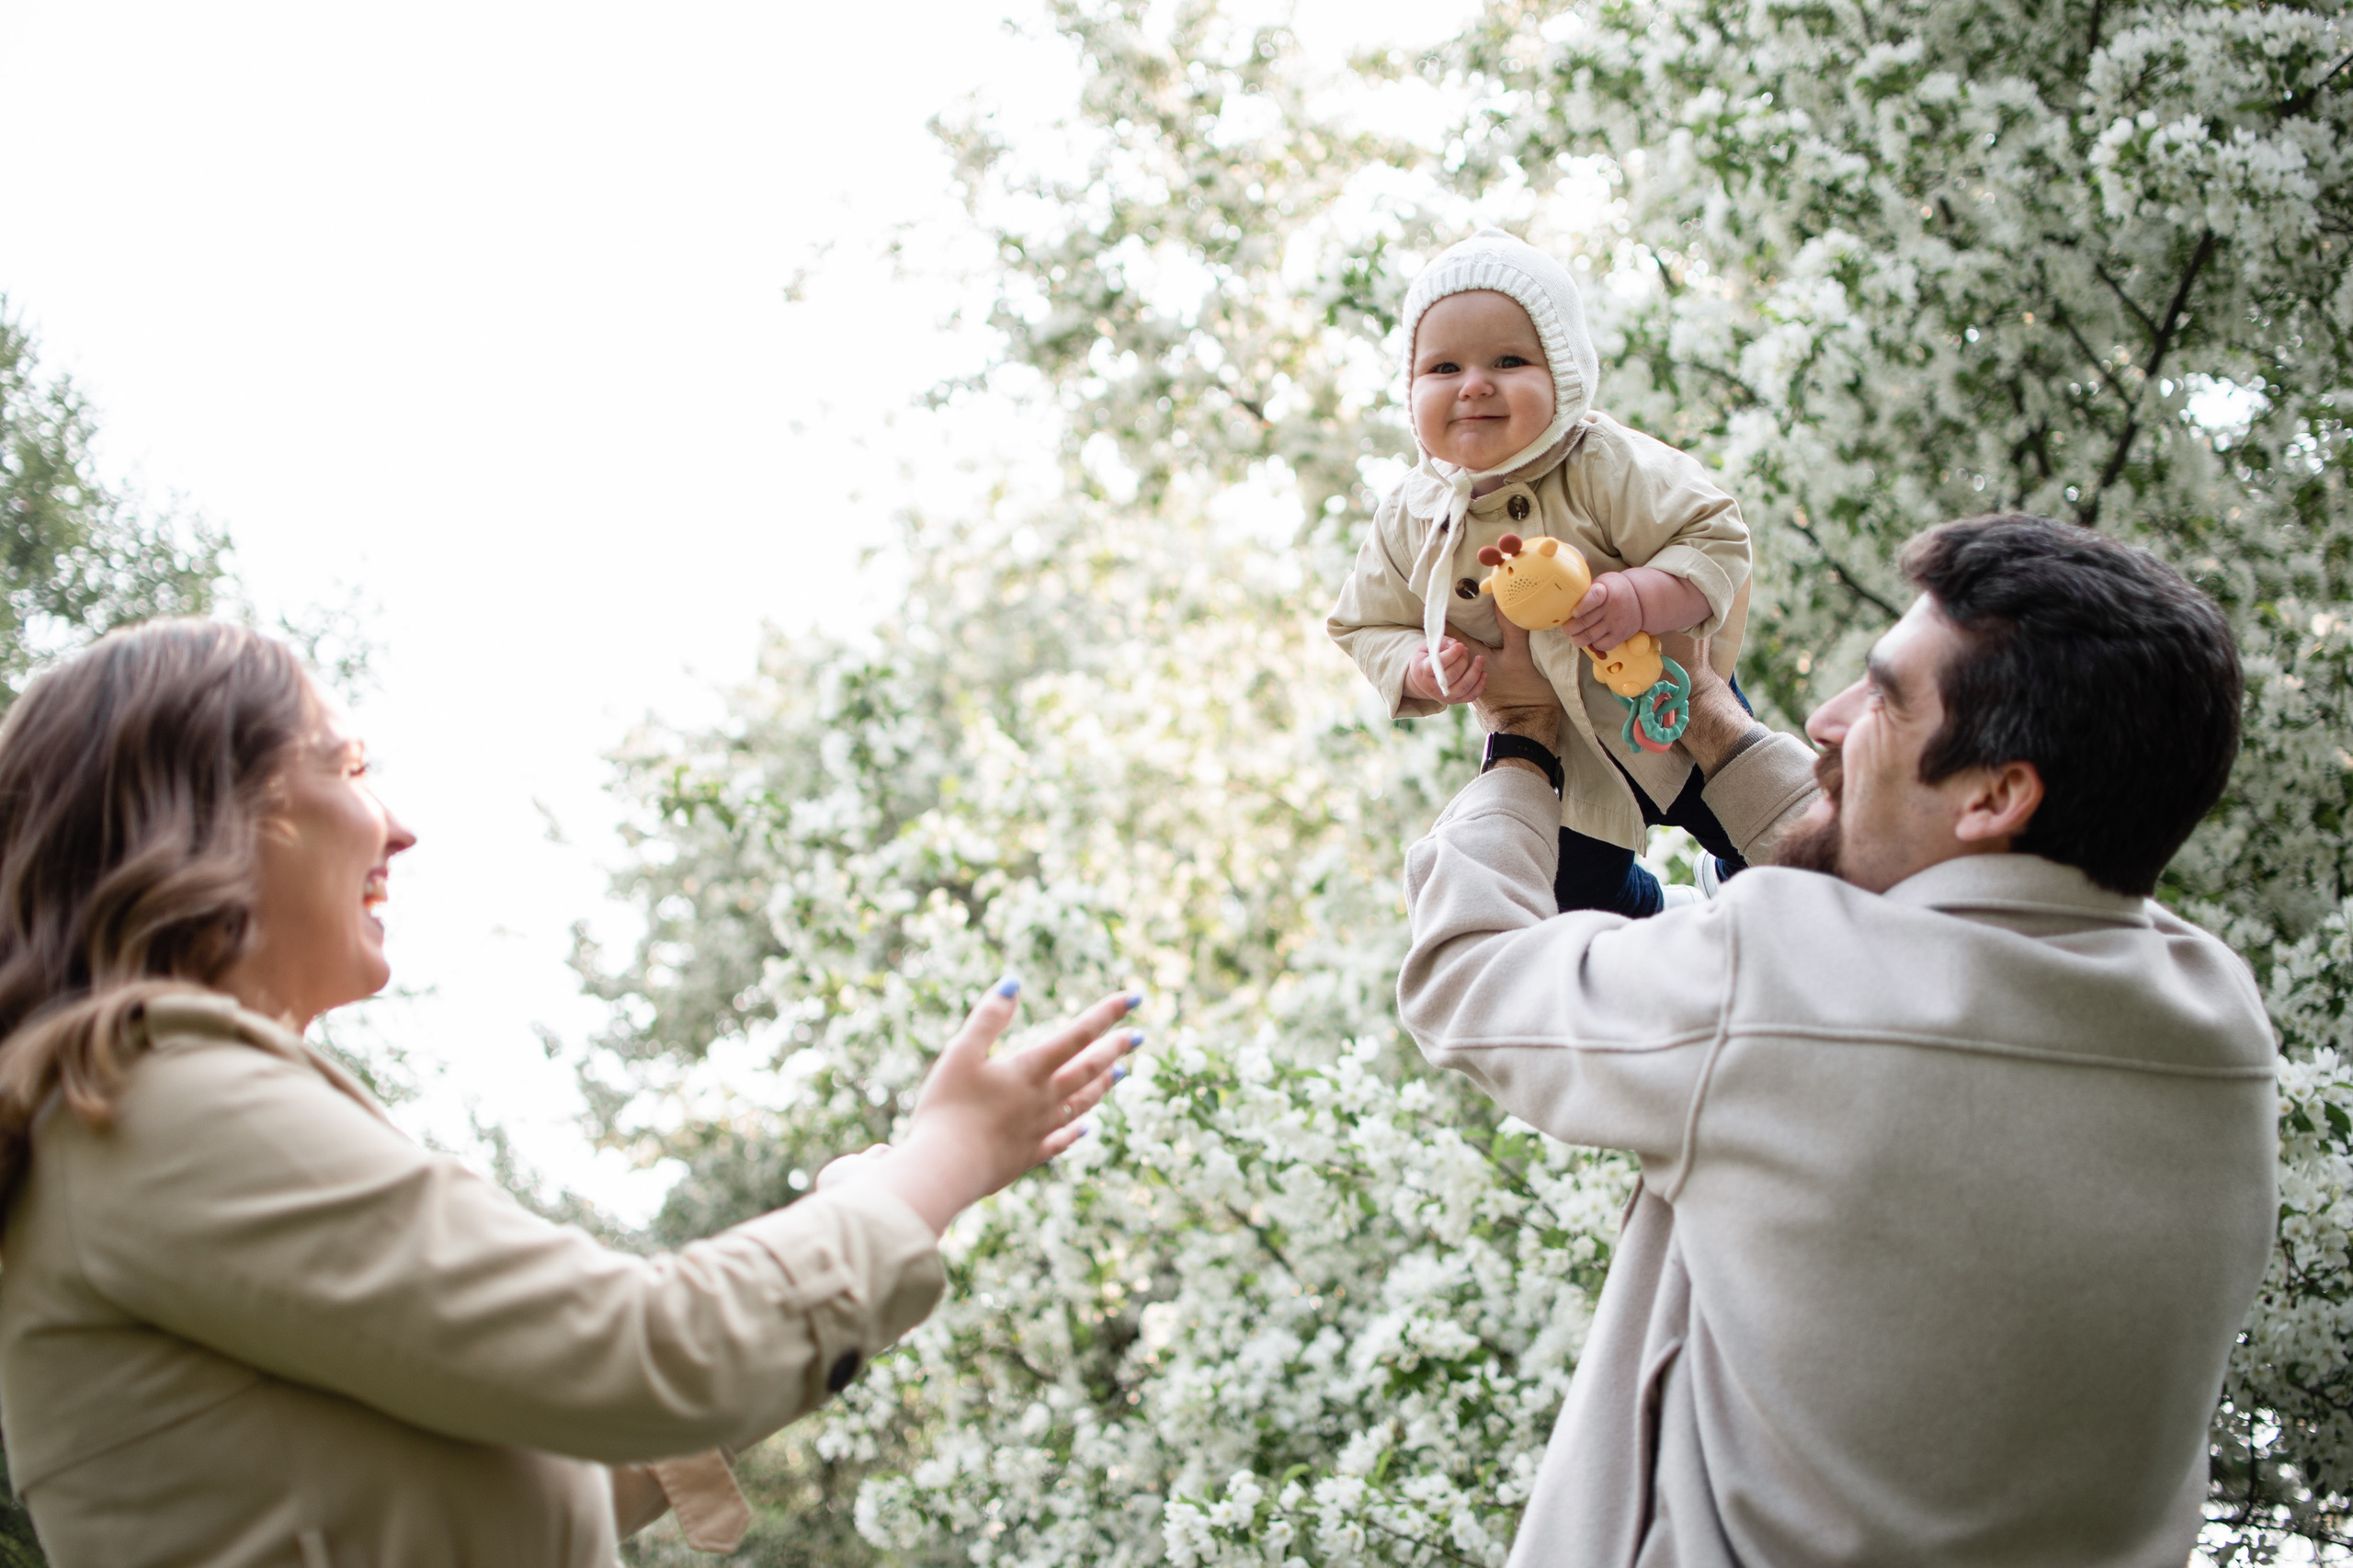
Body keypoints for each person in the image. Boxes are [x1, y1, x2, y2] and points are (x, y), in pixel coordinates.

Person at [0, 619, 1142, 1567]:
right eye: (347, 766)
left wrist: (874, 1204)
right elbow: (648, 1352)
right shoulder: (153, 1100)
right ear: (210, 810)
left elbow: (520, 1491)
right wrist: (939, 1161)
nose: (399, 824)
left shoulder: (134, 1120)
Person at [1398, 513, 2275, 1565]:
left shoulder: (1774, 977)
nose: (1822, 717)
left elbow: (1469, 978)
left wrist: (1516, 748)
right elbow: (1930, 919)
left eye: (1884, 696)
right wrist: (1715, 731)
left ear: (1998, 792)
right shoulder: (2218, 1030)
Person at [1327, 228, 1754, 916]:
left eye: (1508, 359)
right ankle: (1655, 911)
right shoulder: (1412, 513)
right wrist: (1417, 663)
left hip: (1664, 697)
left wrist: (1642, 596)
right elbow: (1364, 622)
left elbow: (1714, 532)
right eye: (1442, 369)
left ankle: (1735, 879)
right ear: (1409, 389)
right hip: (1563, 747)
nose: (1474, 386)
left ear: (1565, 372)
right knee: (1573, 892)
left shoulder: (1603, 462)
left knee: (1745, 818)